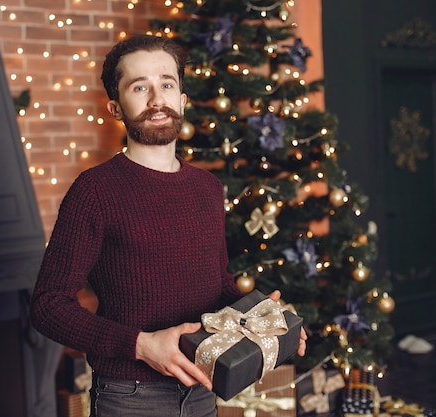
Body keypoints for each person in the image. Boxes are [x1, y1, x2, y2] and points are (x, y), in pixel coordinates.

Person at [30, 34, 307, 417]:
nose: (156, 99)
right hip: (129, 398)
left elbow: (218, 286)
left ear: (182, 100)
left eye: (166, 84)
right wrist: (141, 345)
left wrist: (267, 319)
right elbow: (47, 306)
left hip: (201, 394)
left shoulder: (208, 188)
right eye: (139, 86)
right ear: (115, 106)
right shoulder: (94, 191)